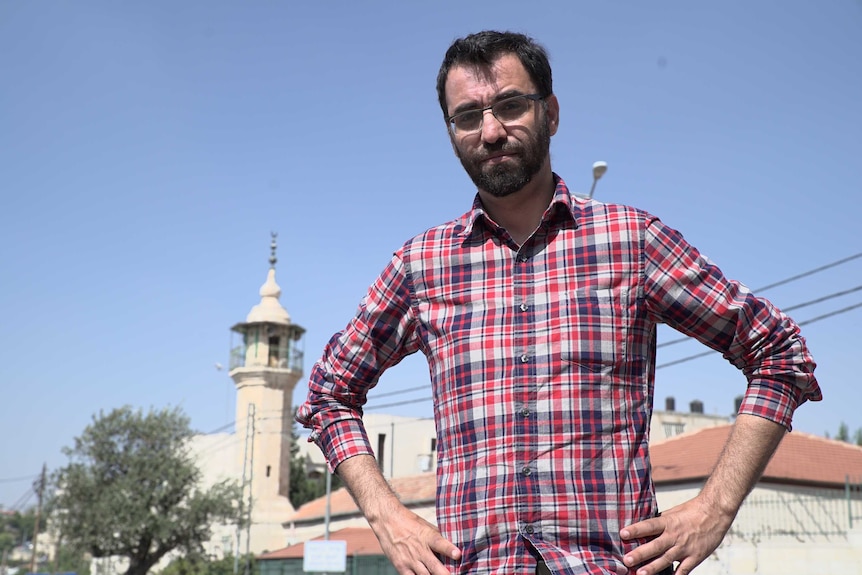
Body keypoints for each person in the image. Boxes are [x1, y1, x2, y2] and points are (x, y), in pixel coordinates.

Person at [296, 30, 821, 575]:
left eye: (510, 105)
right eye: (468, 115)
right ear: (451, 132)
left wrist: (716, 507)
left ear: (551, 112)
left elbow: (779, 352)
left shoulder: (631, 242)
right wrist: (387, 518)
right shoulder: (421, 265)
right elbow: (328, 395)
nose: (491, 131)